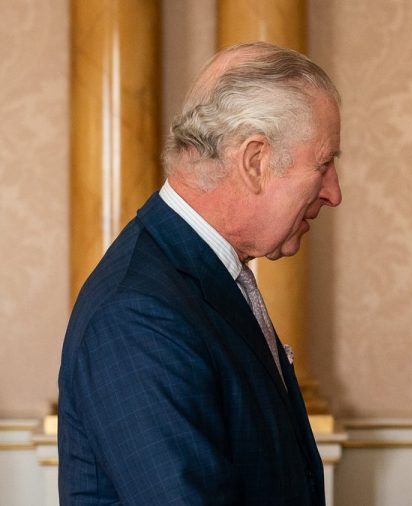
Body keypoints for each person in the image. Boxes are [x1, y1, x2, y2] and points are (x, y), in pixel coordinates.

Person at [58, 42, 342, 505]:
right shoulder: (140, 314)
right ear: (256, 161)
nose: (333, 192)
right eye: (324, 163)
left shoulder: (206, 275)